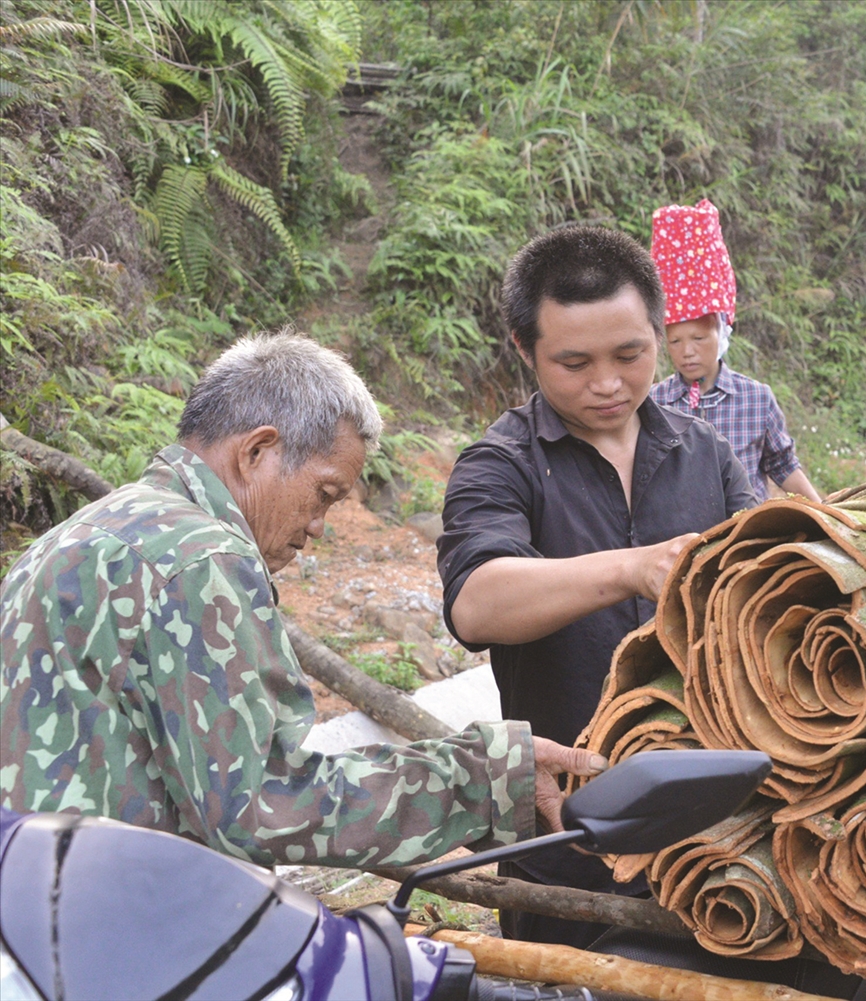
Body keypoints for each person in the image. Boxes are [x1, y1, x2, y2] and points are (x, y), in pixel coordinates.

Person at [0, 332, 603, 869]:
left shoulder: (96, 528)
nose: (318, 527)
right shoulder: (202, 559)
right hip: (83, 927)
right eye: (324, 493)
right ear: (257, 451)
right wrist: (489, 778)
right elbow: (259, 803)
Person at [438, 225, 757, 944]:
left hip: (716, 836)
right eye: (574, 363)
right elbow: (478, 601)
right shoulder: (501, 464)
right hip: (569, 832)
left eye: (630, 354)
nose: (608, 383)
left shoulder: (705, 453)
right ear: (525, 350)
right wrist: (629, 567)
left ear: (660, 332)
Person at [647, 199, 820, 503]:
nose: (687, 351)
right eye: (675, 342)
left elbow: (781, 463)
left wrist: (824, 512)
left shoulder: (755, 399)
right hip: (679, 538)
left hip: (746, 534)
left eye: (699, 338)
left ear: (722, 332)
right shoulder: (654, 403)